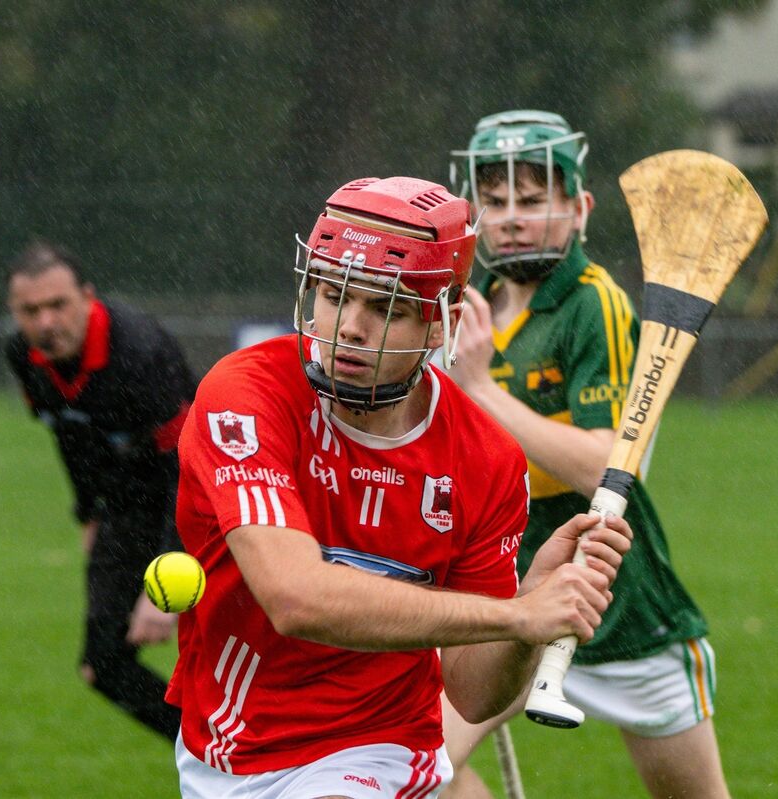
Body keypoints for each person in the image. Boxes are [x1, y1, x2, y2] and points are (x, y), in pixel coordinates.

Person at [165, 176, 633, 798]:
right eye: (334, 295)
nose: (350, 328)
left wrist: (526, 624)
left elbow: (472, 694)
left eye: (385, 307)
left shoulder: (487, 459)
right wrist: (513, 613)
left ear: (442, 323)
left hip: (378, 748)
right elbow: (296, 598)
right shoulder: (246, 396)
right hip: (224, 745)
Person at [441, 111, 731, 799]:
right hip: (511, 591)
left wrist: (479, 387)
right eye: (497, 199)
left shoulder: (593, 304)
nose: (511, 218)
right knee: (416, 771)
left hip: (618, 593)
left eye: (533, 199)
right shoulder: (473, 305)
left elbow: (606, 463)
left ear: (579, 207)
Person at [5, 239, 199, 740]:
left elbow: (189, 463)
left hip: (200, 497)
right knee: (104, 665)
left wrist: (166, 584)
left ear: (87, 296)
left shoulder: (139, 350)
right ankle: (217, 761)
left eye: (58, 305)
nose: (46, 322)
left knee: (245, 652)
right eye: (31, 311)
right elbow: (68, 433)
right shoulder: (23, 355)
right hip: (126, 503)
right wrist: (88, 513)